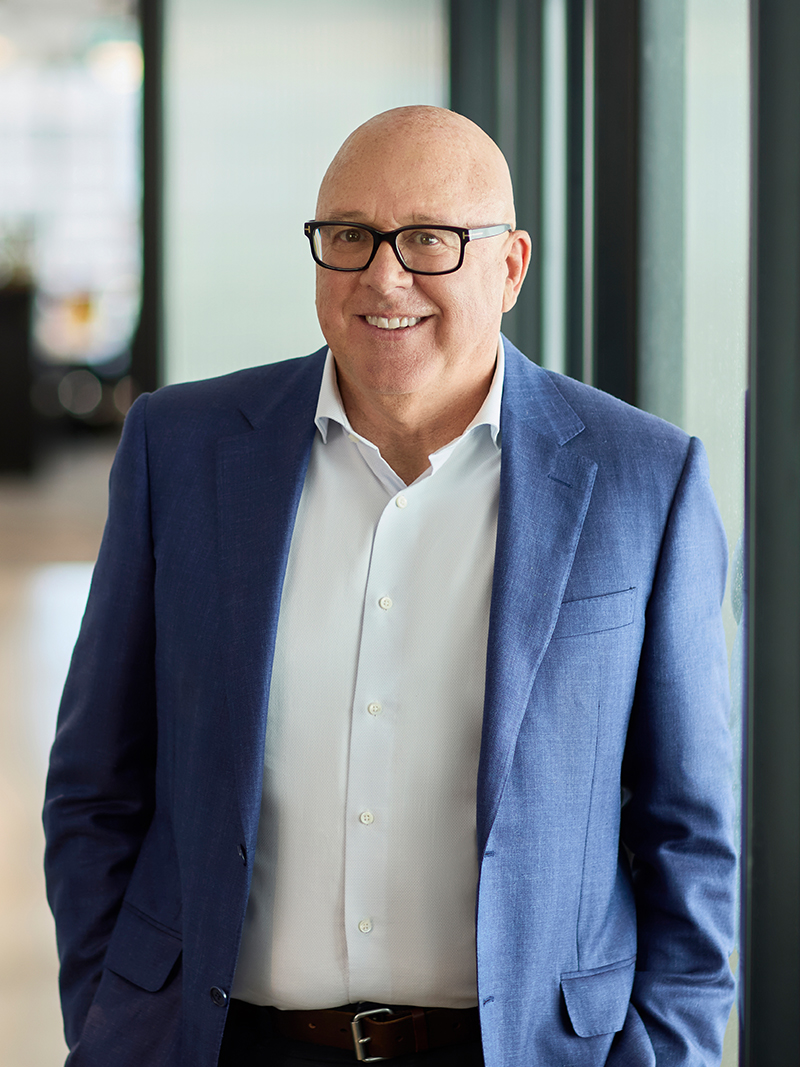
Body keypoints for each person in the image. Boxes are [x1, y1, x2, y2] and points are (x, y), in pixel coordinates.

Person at [44, 106, 736, 1067]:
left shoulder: (642, 480)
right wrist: (111, 1015)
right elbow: (96, 785)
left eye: (429, 239)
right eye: (348, 236)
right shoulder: (182, 449)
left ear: (511, 266)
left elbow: (691, 832)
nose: (383, 275)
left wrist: (666, 1051)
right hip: (220, 1042)